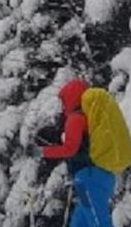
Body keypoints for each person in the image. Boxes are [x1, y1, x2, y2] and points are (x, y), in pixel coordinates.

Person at [37, 79, 115, 227]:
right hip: (100, 175)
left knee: (98, 221)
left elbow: (69, 149)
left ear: (70, 97)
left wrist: (42, 152)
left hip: (89, 176)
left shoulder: (76, 119)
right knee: (80, 222)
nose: (62, 105)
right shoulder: (90, 118)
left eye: (63, 100)